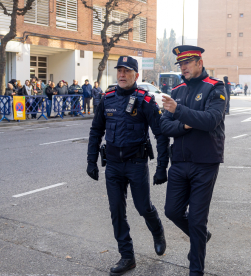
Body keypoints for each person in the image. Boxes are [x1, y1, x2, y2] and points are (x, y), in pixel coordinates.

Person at [87, 56, 169, 276]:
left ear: (136, 75)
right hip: (113, 165)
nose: (122, 75)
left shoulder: (145, 100)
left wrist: (162, 167)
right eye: (119, 71)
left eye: (127, 71)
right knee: (117, 212)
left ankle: (158, 231)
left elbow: (161, 134)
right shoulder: (108, 98)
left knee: (143, 207)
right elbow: (96, 131)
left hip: (136, 163)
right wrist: (91, 161)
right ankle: (127, 257)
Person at [161, 45, 227, 276]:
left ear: (199, 62)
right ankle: (202, 237)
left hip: (205, 162)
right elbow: (164, 126)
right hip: (179, 162)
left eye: (187, 63)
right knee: (172, 211)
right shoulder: (177, 89)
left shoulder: (215, 87)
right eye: (180, 64)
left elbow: (211, 120)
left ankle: (195, 271)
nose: (183, 67)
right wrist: (186, 123)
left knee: (197, 220)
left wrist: (179, 112)